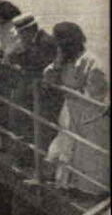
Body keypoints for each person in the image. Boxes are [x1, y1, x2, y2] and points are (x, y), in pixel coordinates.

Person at [43, 21, 109, 192]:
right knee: (67, 147)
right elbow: (48, 78)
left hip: (89, 116)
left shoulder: (92, 63)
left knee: (87, 152)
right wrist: (57, 62)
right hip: (70, 111)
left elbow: (95, 95)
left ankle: (91, 190)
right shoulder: (65, 60)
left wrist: (71, 92)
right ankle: (68, 184)